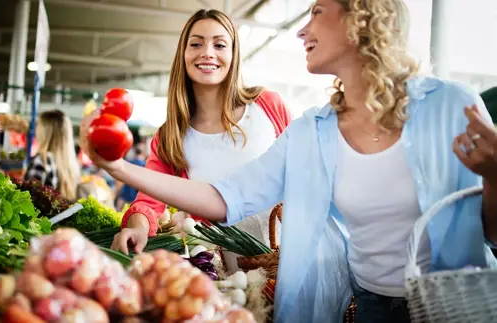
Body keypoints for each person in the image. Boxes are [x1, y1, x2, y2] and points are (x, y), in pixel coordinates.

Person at [82, 0, 497, 322]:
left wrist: (495, 176)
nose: (302, 29)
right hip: (366, 304)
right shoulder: (312, 132)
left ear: (360, 19)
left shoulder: (450, 107)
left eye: (316, 11)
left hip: (455, 305)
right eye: (196, 43)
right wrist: (119, 168)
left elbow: (490, 232)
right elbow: (226, 198)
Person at [101, 9, 292, 267]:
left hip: (290, 263)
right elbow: (149, 201)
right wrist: (137, 228)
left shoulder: (268, 106)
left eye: (220, 44)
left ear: (234, 54)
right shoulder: (171, 135)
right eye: (196, 43)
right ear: (183, 53)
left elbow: (303, 173)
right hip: (226, 278)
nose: (208, 52)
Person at [24, 110, 80, 202]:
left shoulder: (43, 161)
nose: (36, 131)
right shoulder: (71, 164)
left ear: (45, 133)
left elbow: (29, 200)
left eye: (39, 126)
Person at [114, 143, 147, 210]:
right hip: (137, 190)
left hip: (128, 187)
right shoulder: (145, 165)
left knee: (121, 202)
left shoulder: (129, 163)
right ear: (143, 153)